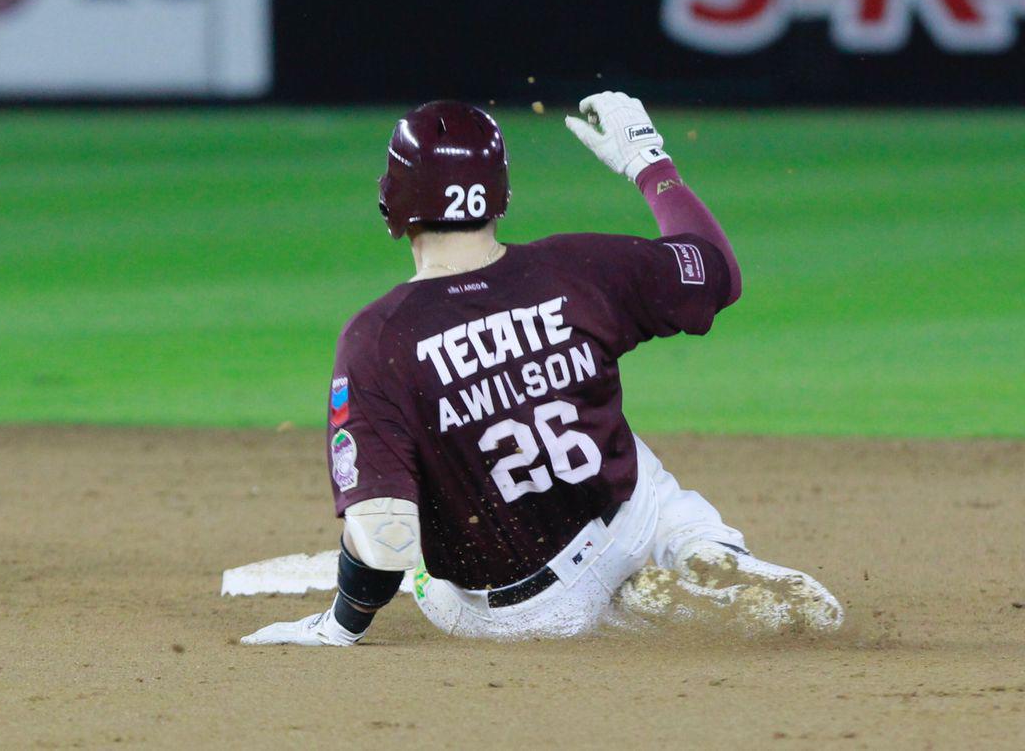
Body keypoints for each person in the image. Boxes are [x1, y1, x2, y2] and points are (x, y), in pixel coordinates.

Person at [243, 94, 843, 645]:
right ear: (499, 194)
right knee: (635, 469)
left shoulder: (379, 339)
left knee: (419, 552)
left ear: (393, 203)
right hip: (631, 517)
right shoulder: (578, 267)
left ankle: (633, 601)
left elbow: (385, 542)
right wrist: (649, 163)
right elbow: (716, 273)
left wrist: (341, 625)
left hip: (528, 609)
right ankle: (700, 548)